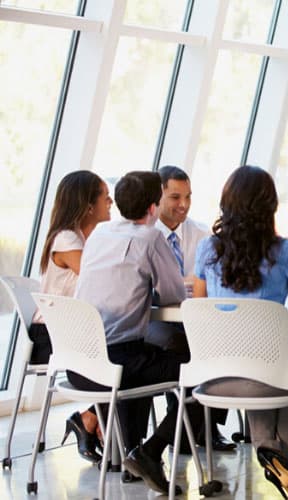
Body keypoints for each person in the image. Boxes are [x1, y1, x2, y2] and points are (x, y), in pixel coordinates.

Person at [193, 165, 288, 499]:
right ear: (271, 206)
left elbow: (199, 306)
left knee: (260, 365)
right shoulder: (286, 252)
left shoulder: (207, 250)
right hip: (266, 376)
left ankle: (273, 452)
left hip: (215, 375)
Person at [73, 171, 202, 494]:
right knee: (205, 374)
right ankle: (149, 451)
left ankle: (131, 454)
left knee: (149, 352)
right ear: (153, 206)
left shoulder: (100, 232)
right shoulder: (151, 238)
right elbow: (173, 293)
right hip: (117, 365)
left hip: (80, 364)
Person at [146, 165, 235, 452]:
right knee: (182, 345)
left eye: (188, 197)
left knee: (221, 343)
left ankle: (206, 425)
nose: (183, 205)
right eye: (175, 197)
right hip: (155, 320)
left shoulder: (200, 235)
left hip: (195, 317)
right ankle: (190, 427)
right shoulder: (145, 234)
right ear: (157, 197)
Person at [28, 170, 112, 464]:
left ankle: (93, 421)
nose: (111, 201)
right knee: (127, 357)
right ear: (88, 205)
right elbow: (97, 282)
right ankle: (92, 420)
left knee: (130, 352)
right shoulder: (66, 239)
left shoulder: (80, 238)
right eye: (105, 196)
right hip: (51, 337)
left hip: (69, 332)